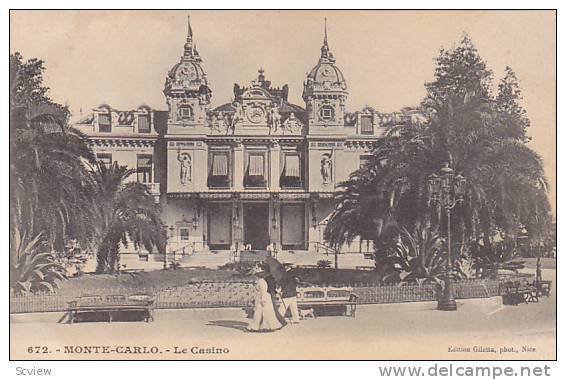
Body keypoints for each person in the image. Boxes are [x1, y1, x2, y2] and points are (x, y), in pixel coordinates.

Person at [247, 265, 283, 332]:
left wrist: (263, 300)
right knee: (263, 312)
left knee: (262, 312)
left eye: (255, 275)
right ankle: (265, 326)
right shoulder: (260, 281)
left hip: (264, 297)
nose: (254, 277)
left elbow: (263, 291)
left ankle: (257, 326)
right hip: (263, 297)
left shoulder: (261, 282)